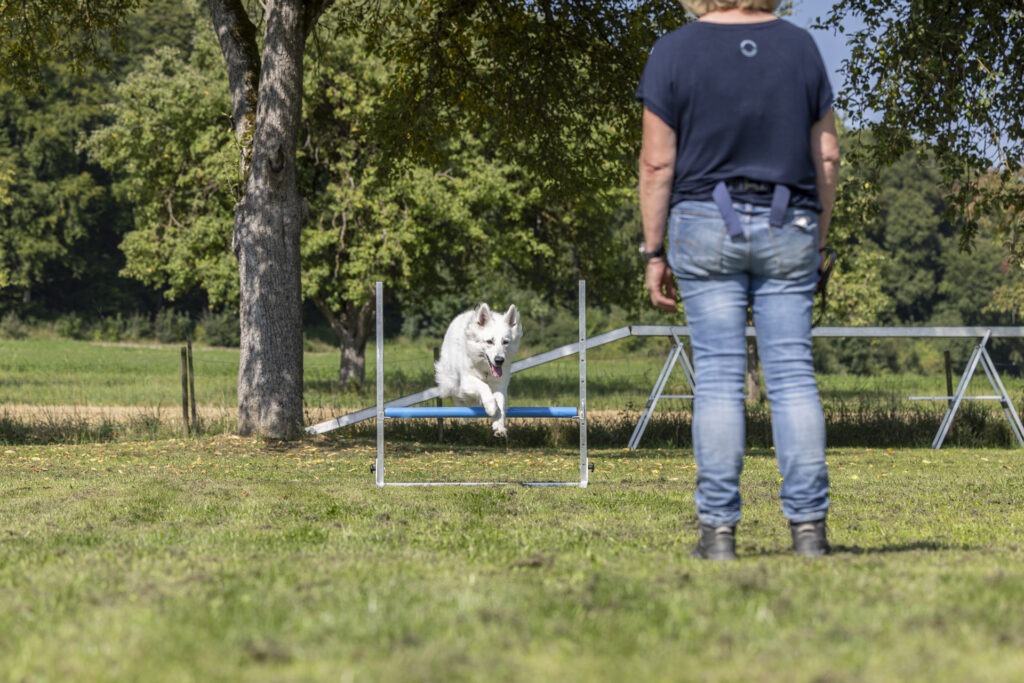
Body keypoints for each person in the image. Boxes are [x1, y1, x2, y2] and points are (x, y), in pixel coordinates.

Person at [636, 0, 840, 560]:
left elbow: (656, 165)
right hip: (790, 222)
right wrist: (819, 243)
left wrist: (654, 251)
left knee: (721, 380)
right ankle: (808, 531)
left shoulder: (673, 50)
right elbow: (826, 155)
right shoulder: (799, 47)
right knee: (794, 377)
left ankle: (719, 534)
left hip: (704, 222)